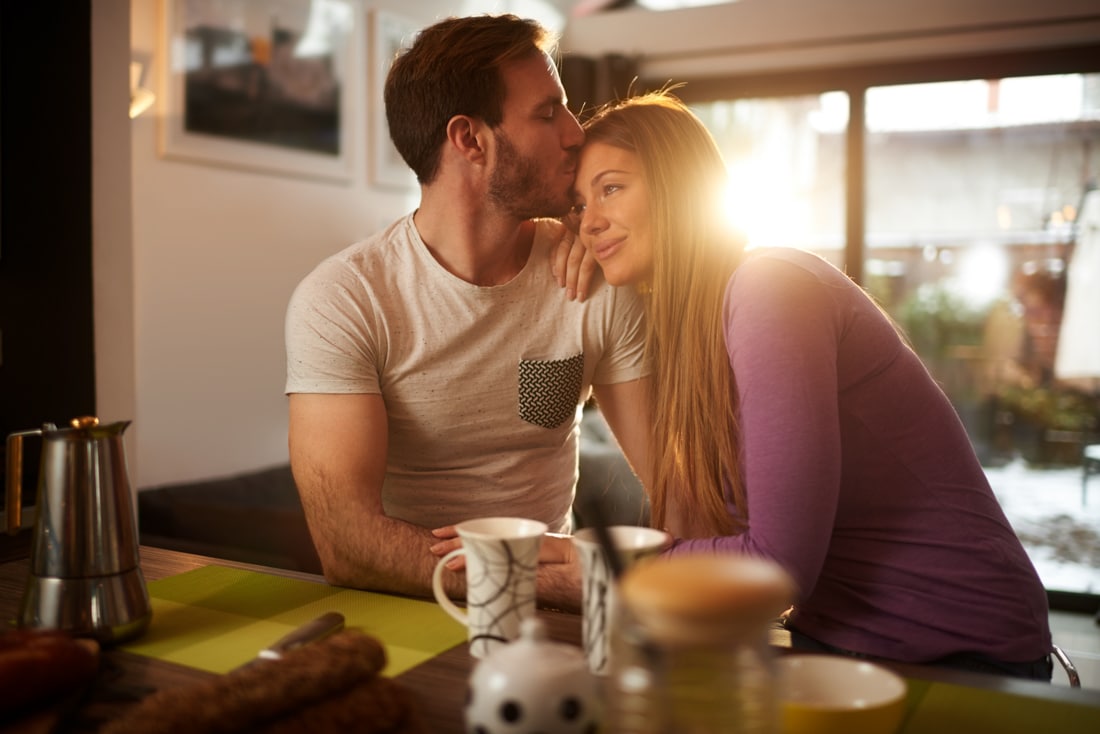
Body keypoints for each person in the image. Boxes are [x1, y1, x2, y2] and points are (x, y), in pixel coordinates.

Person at [563, 90, 1053, 679]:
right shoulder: (695, 332)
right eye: (578, 202)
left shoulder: (770, 288)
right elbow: (700, 529)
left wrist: (594, 563)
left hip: (955, 645)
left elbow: (776, 568)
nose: (588, 221)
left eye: (611, 188)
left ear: (679, 187)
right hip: (837, 640)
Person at [284, 15, 651, 612]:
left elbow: (678, 485)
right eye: (547, 112)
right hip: (408, 606)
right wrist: (551, 581)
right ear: (470, 140)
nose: (575, 132)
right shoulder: (344, 300)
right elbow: (345, 545)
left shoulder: (594, 277)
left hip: (553, 626)